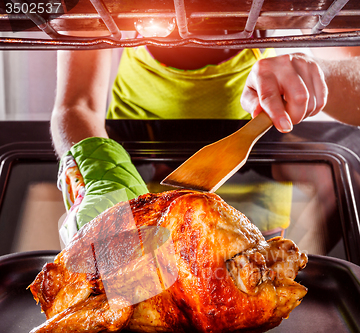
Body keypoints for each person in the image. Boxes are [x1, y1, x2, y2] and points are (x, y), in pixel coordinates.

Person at [50, 41, 358, 244]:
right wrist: (98, 169)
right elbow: (75, 104)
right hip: (133, 166)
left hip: (256, 169)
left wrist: (317, 76)